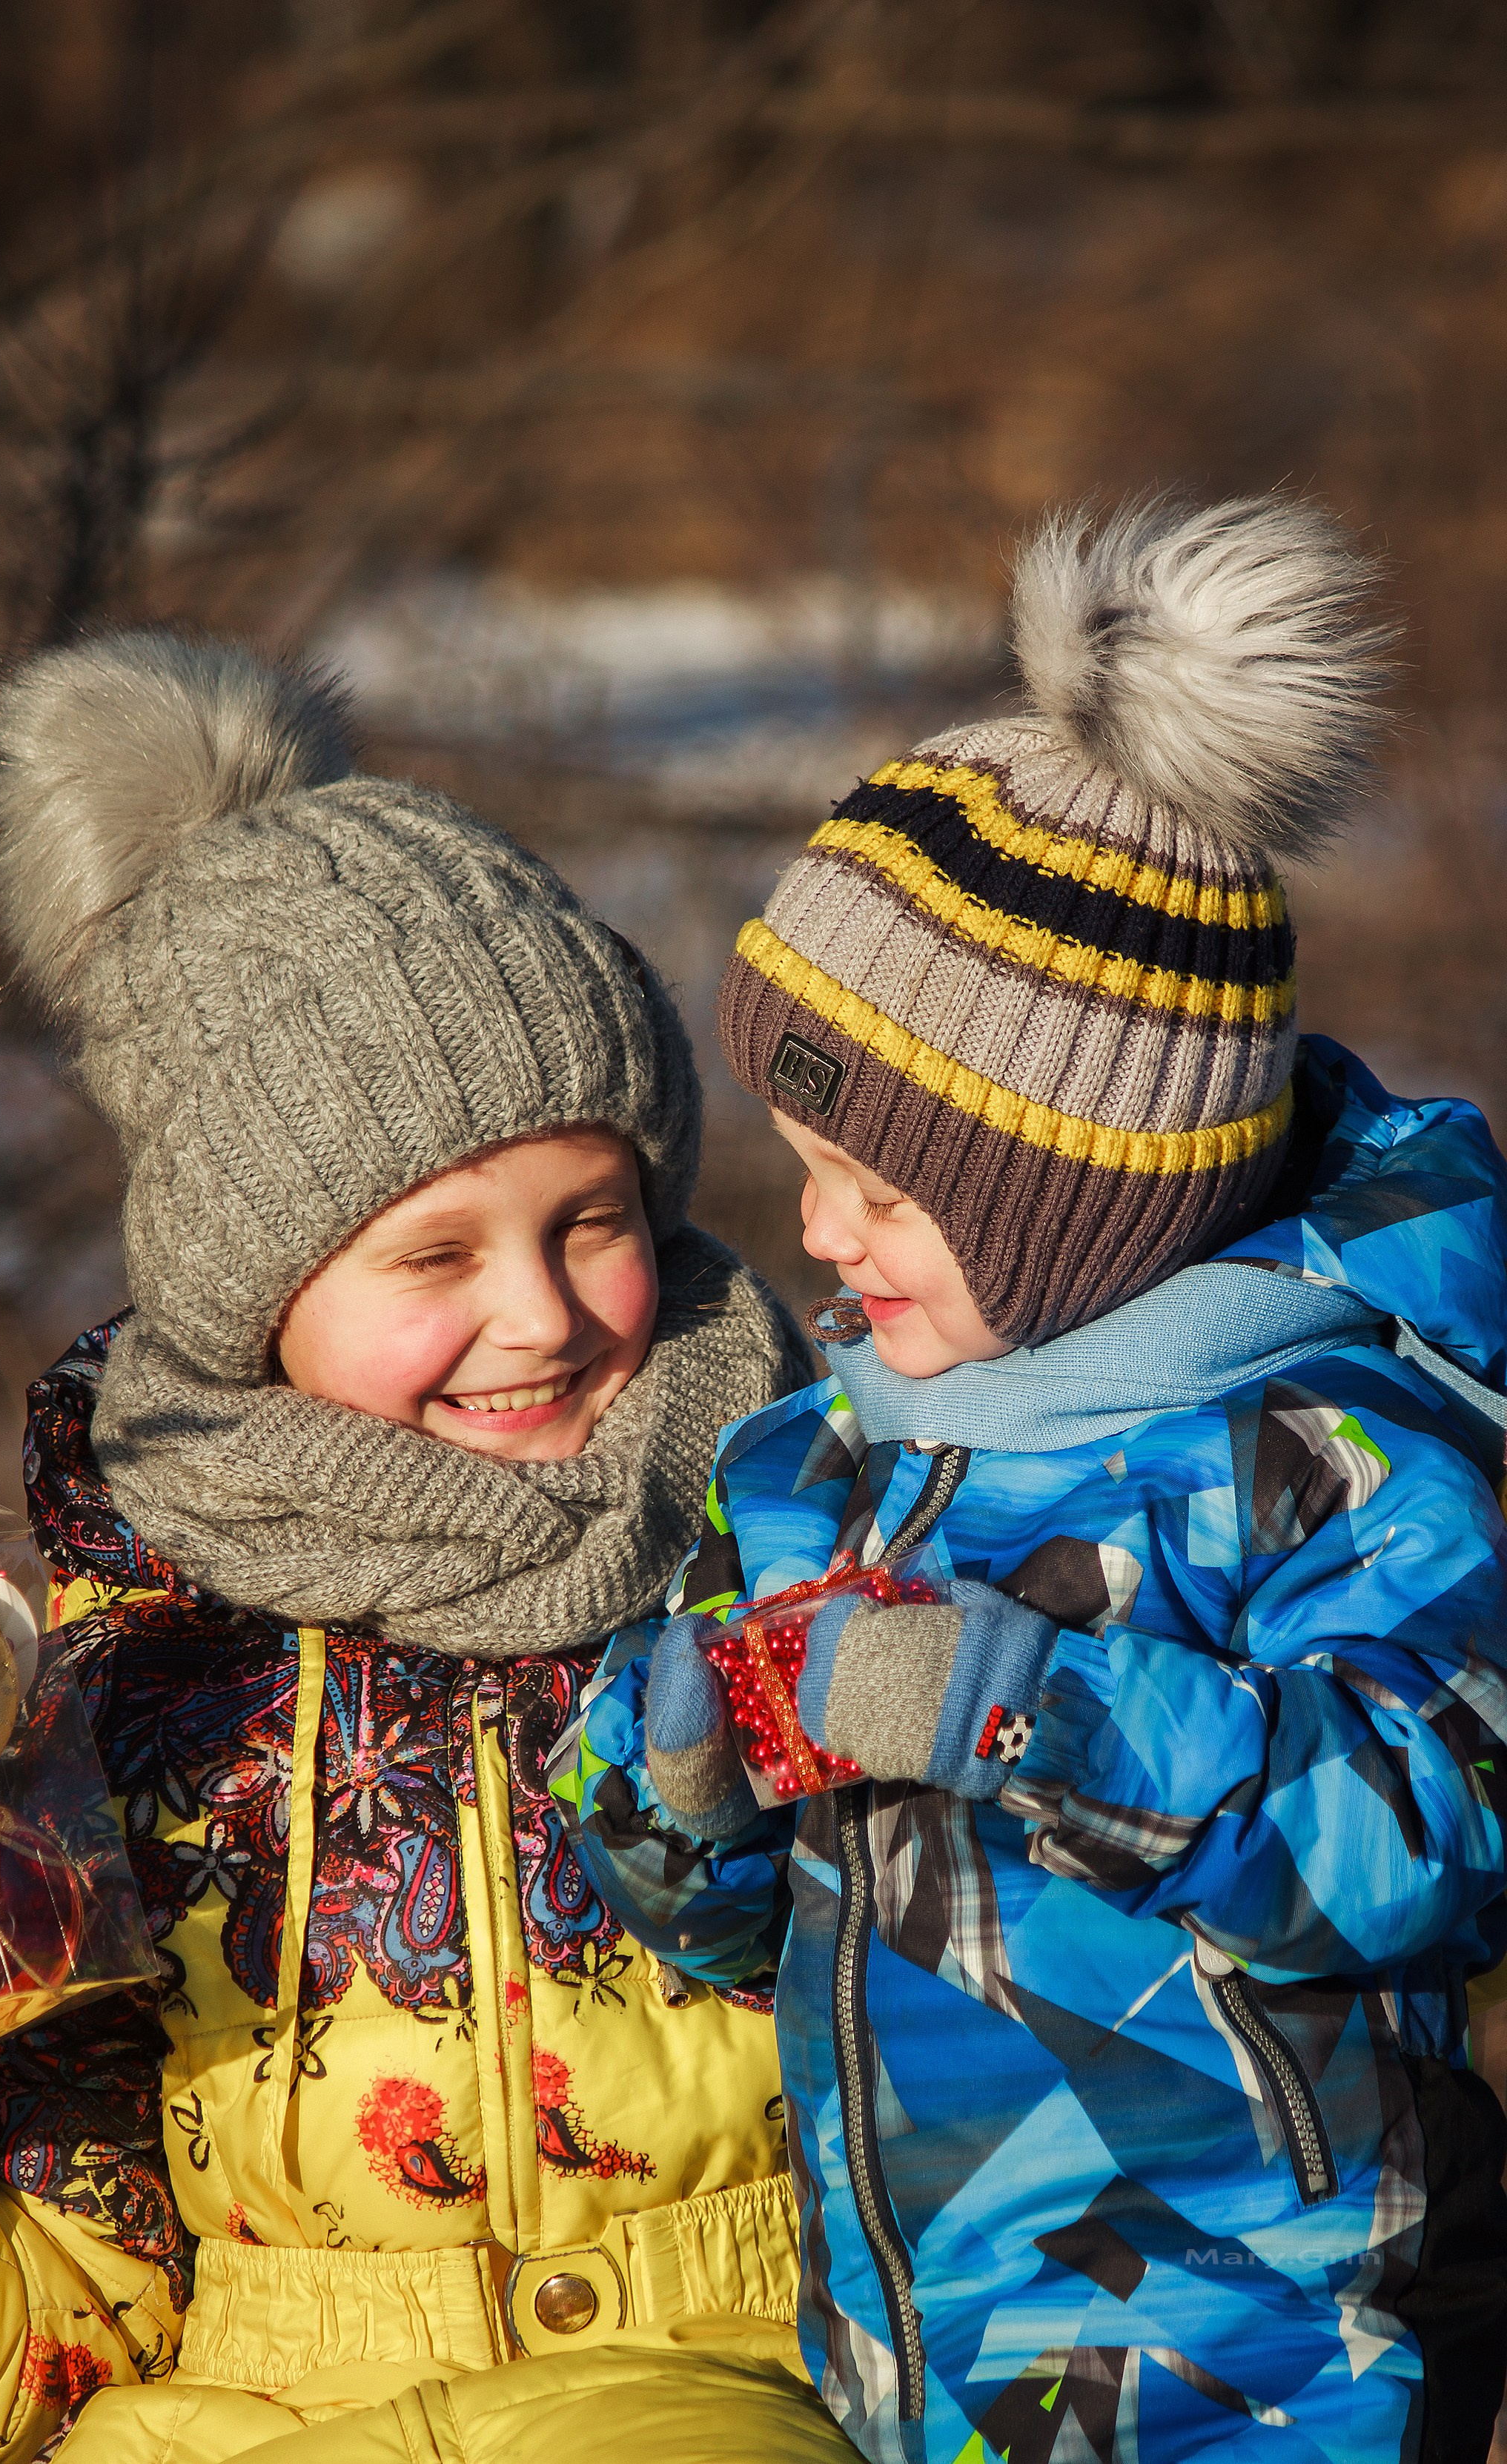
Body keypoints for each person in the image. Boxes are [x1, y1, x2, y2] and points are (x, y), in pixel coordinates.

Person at [555, 496, 1507, 2464]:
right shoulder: (816, 1464)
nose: (818, 1234)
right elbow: (735, 1942)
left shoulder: (1314, 1452)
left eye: (881, 1191)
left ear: (1086, 1208)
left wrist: (1036, 1713)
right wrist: (675, 1792)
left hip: (1263, 2364)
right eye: (806, 1166)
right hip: (919, 2368)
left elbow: (1441, 1833)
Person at [0, 631, 858, 2464]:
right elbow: (82, 2263)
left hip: (716, 2366)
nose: (538, 1315)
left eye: (592, 1219)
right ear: (249, 1291)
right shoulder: (122, 1655)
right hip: (234, 2406)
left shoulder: (795, 1539)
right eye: (436, 1254)